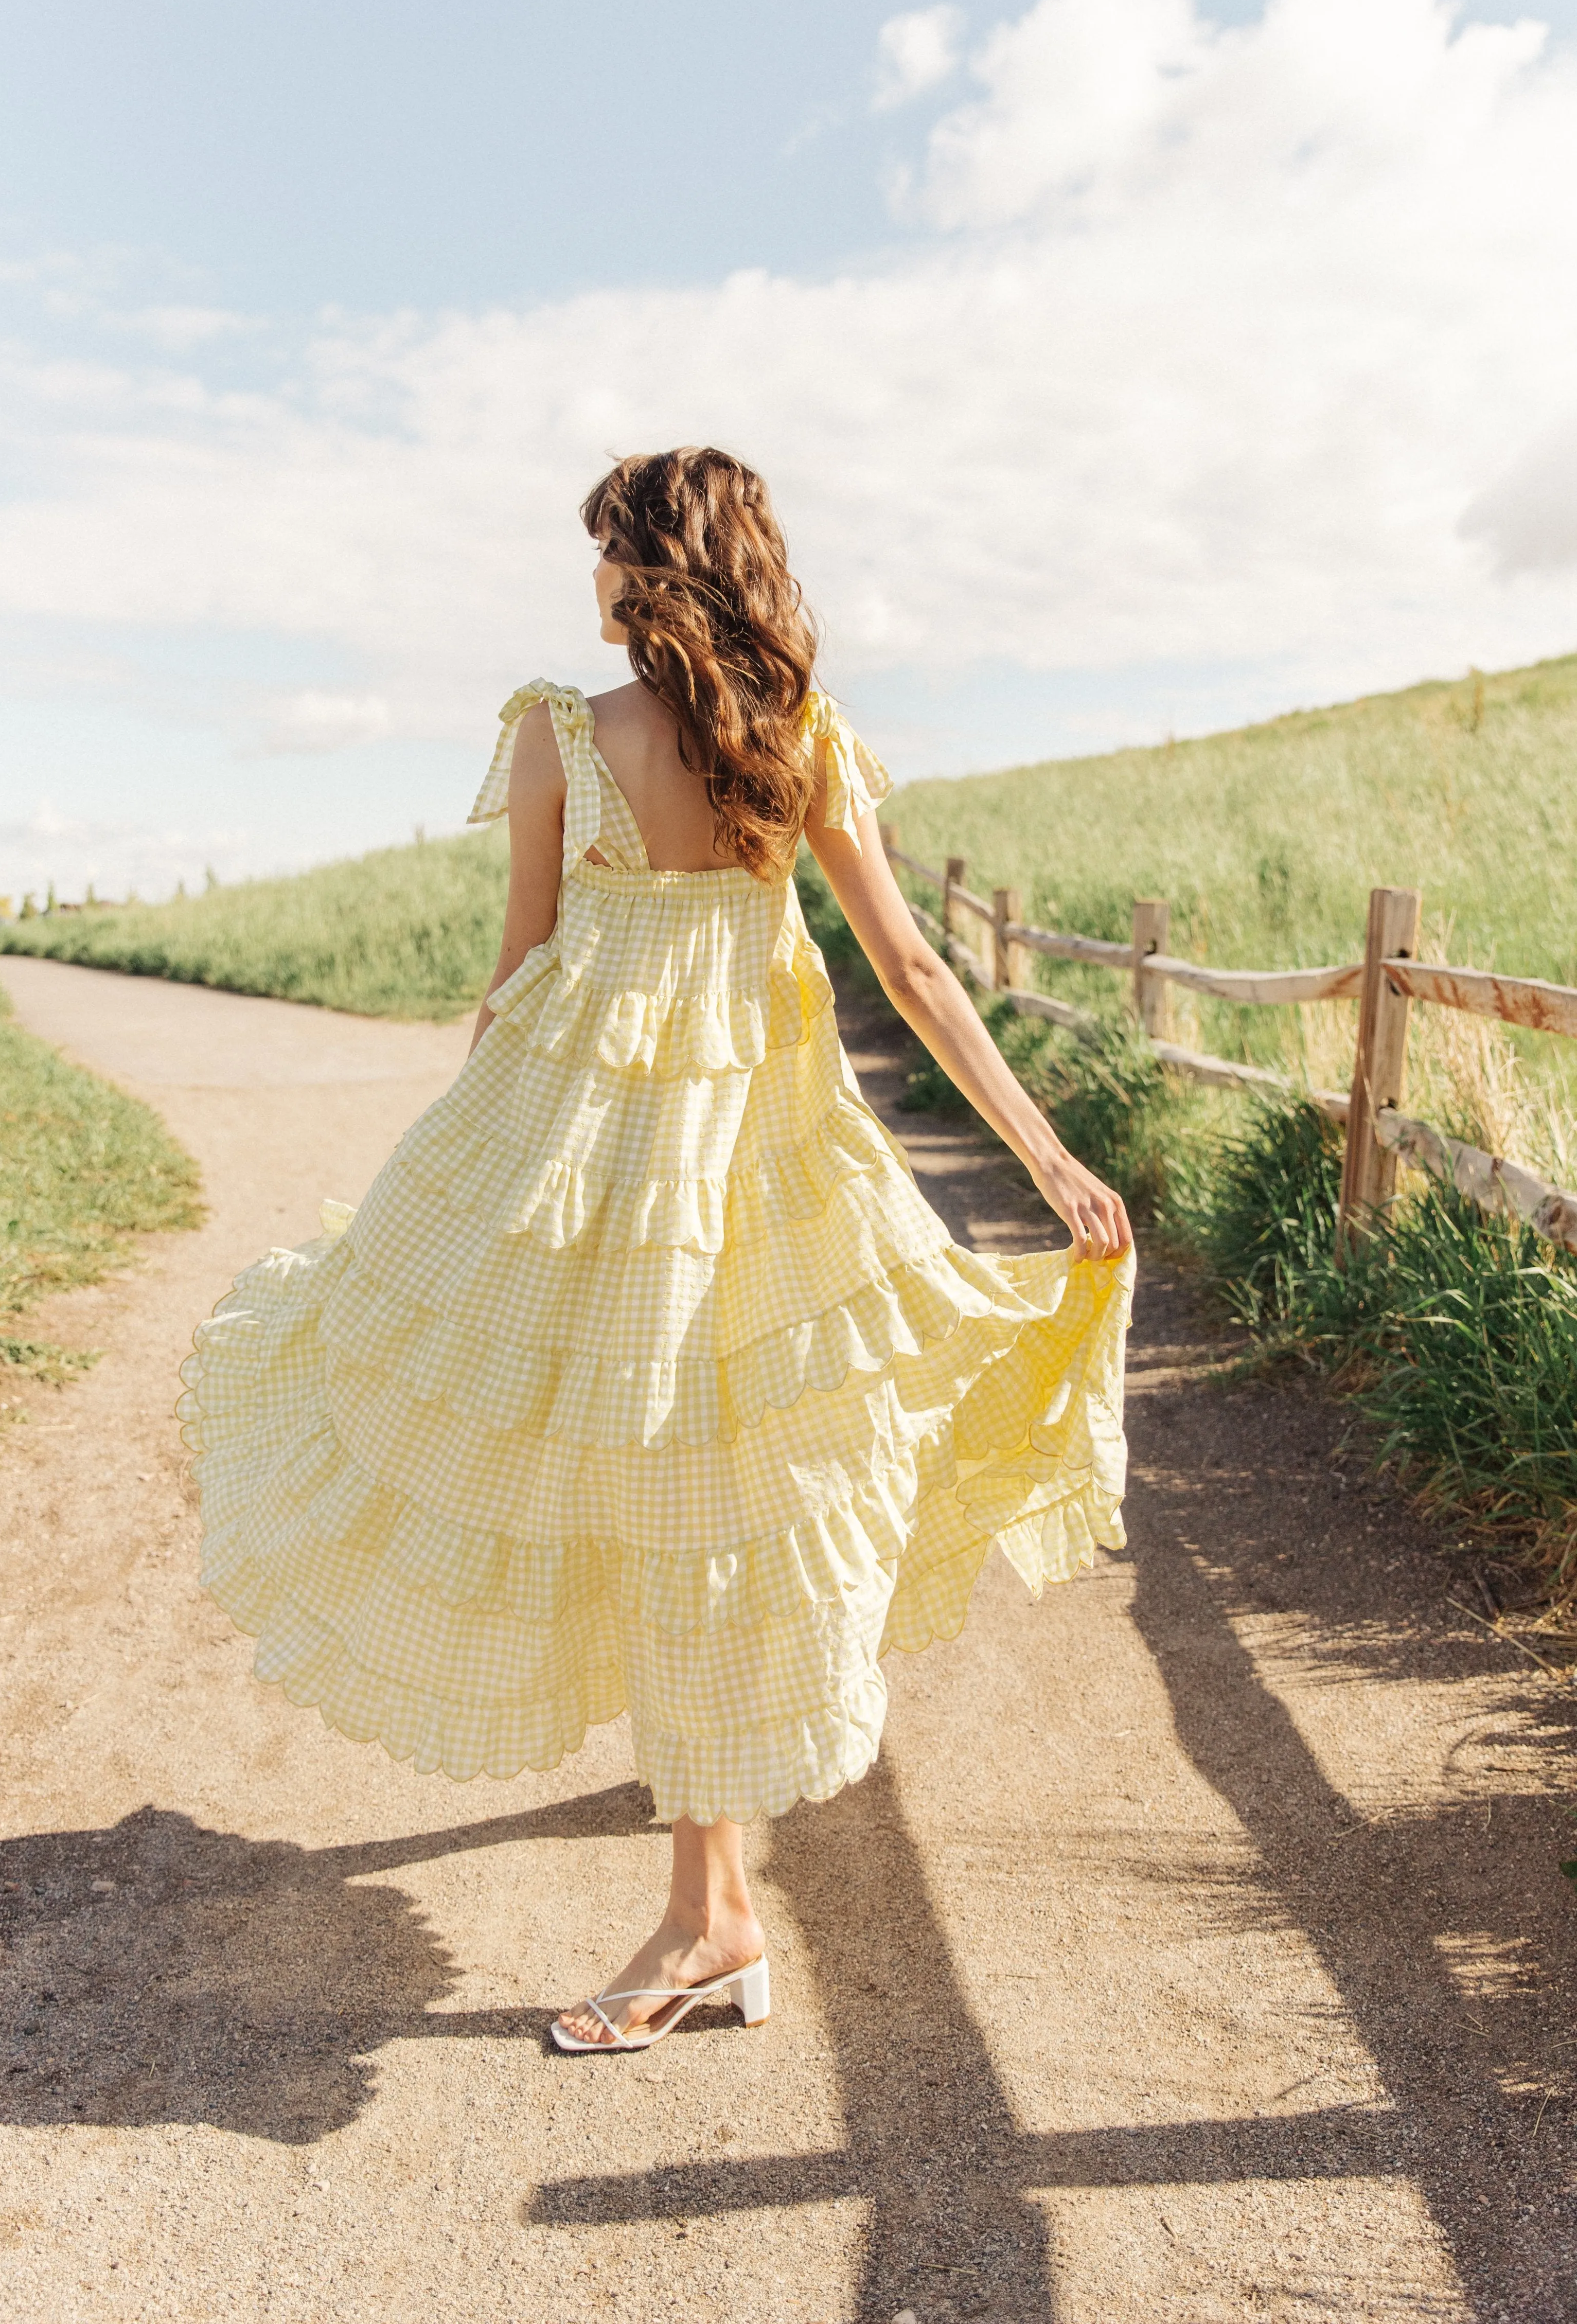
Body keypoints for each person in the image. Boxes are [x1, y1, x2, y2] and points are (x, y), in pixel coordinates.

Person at [179, 446, 1133, 2055]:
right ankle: (710, 1871)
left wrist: (459, 1195)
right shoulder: (799, 743)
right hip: (756, 1170)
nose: (596, 586)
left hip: (607, 1170)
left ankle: (712, 1916)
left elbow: (518, 975)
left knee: (655, 1477)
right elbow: (910, 967)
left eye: (610, 553)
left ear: (657, 570)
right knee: (714, 1477)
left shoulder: (564, 733)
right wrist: (1045, 1153)